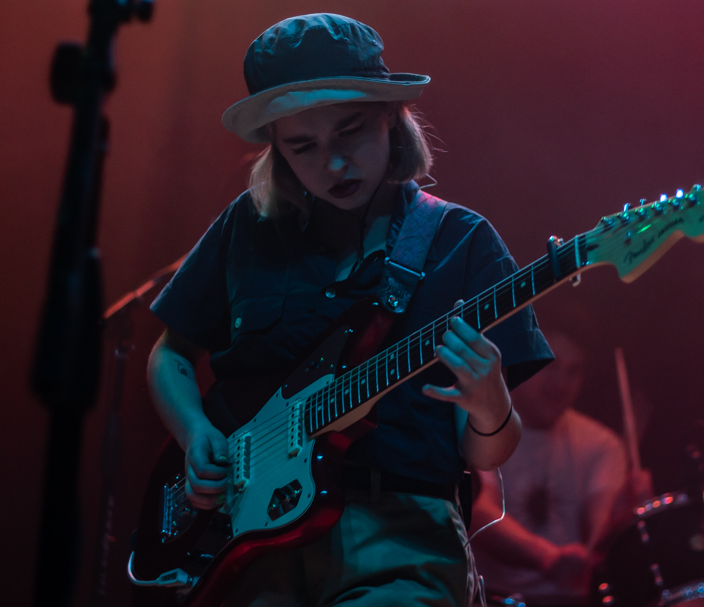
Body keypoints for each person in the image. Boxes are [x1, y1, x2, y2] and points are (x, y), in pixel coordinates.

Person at [145, 13, 552, 607]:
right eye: (302, 147)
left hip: (399, 538)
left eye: (350, 133)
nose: (332, 163)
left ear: (391, 117)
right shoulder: (247, 227)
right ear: (277, 150)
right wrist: (195, 433)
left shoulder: (460, 242)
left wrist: (490, 404)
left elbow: (485, 451)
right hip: (247, 541)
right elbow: (170, 355)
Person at [470, 332, 628, 606]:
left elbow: (599, 526)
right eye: (550, 365)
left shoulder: (602, 443)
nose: (561, 383)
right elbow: (479, 511)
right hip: (489, 598)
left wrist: (625, 517)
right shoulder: (477, 426)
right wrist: (546, 557)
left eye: (573, 371)